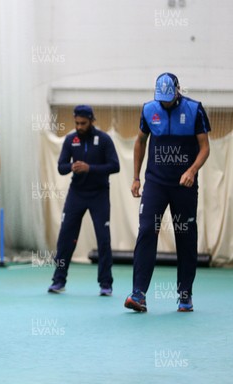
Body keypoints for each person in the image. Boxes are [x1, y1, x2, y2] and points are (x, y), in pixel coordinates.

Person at [124, 73, 210, 313]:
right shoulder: (149, 109)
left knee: (185, 236)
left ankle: (185, 295)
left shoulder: (195, 110)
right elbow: (140, 141)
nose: (165, 103)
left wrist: (192, 170)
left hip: (184, 186)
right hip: (156, 184)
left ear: (177, 91)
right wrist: (136, 178)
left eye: (169, 99)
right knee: (147, 231)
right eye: (161, 99)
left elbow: (205, 147)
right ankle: (138, 294)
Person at [48, 105, 120, 296]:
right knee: (65, 237)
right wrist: (73, 166)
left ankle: (106, 284)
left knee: (103, 239)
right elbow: (61, 167)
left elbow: (115, 166)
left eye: (83, 123)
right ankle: (58, 280)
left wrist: (90, 168)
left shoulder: (104, 139)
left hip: (99, 194)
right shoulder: (71, 139)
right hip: (77, 194)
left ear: (91, 121)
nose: (79, 126)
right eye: (77, 123)